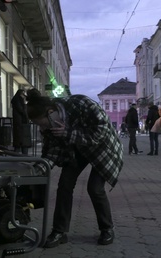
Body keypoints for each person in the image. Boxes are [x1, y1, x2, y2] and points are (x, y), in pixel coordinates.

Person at [25, 88, 123, 247]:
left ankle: (107, 228)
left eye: (41, 124)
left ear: (50, 113)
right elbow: (51, 154)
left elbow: (100, 133)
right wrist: (35, 171)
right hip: (77, 150)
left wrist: (68, 133)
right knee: (64, 185)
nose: (42, 129)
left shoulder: (82, 103)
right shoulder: (50, 127)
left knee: (95, 188)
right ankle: (59, 232)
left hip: (103, 149)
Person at [11, 89, 31, 154]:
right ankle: (22, 156)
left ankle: (18, 154)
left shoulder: (16, 100)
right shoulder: (18, 100)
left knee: (19, 140)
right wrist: (25, 103)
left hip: (19, 123)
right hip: (21, 123)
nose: (24, 96)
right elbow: (22, 111)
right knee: (22, 140)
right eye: (23, 94)